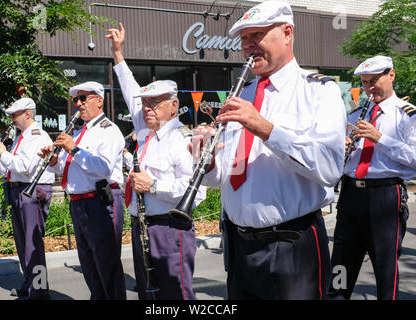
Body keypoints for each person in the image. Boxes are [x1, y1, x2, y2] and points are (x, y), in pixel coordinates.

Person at [190, 1, 346, 299]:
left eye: (257, 35)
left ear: (287, 33)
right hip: (239, 246)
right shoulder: (243, 93)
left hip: (292, 245)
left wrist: (264, 128)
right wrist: (207, 159)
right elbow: (225, 175)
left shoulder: (318, 91)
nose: (248, 46)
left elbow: (328, 169)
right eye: (243, 39)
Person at [106, 24, 206, 300]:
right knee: (148, 296)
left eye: (155, 103)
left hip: (169, 229)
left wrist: (153, 185)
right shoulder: (145, 130)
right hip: (143, 226)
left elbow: (196, 193)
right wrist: (118, 52)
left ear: (173, 106)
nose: (147, 108)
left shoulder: (182, 139)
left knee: (176, 295)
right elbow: (129, 88)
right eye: (145, 103)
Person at [328, 56, 415, 300]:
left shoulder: (407, 115)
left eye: (374, 81)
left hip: (384, 194)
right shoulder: (356, 115)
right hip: (351, 194)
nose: (369, 88)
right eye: (365, 83)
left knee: (385, 267)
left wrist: (380, 138)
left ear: (392, 75)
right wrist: (341, 147)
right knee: (341, 263)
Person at [39, 81, 126, 300]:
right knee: (88, 264)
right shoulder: (79, 132)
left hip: (100, 201)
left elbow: (103, 168)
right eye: (76, 100)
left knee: (107, 265)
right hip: (79, 203)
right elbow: (71, 166)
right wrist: (54, 161)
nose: (78, 104)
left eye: (83, 98)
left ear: (99, 100)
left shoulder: (109, 130)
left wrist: (73, 148)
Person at [0, 97, 54, 300]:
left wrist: (3, 153)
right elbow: (11, 169)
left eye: (14, 115)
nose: (11, 119)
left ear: (27, 113)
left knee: (33, 244)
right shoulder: (21, 137)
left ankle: (40, 290)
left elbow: (24, 168)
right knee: (22, 243)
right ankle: (30, 282)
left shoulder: (37, 136)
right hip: (19, 189)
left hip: (33, 191)